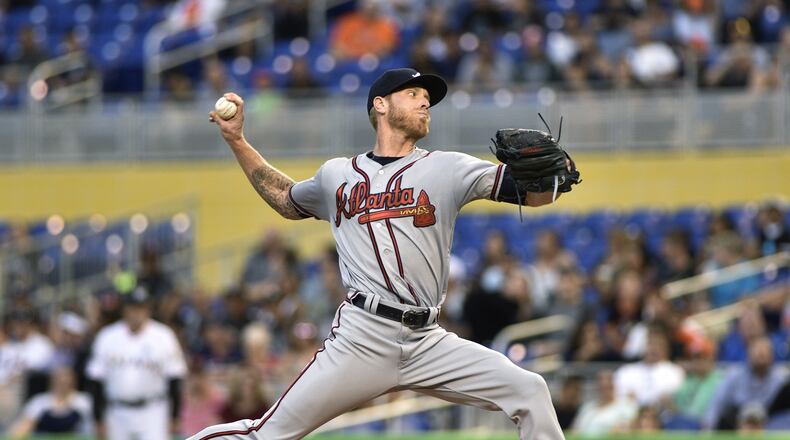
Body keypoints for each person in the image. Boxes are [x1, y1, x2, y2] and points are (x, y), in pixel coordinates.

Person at [193, 67, 570, 439]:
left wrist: (559, 174)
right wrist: (238, 141)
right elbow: (286, 200)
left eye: (428, 99)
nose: (425, 102)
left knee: (530, 390)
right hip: (363, 337)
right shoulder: (336, 175)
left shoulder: (447, 167)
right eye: (413, 94)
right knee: (268, 433)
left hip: (427, 339)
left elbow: (534, 194)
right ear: (381, 105)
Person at [86, 287, 188, 440]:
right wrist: (98, 419)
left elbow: (175, 378)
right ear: (124, 309)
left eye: (141, 308)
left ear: (148, 310)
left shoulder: (163, 336)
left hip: (153, 410)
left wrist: (174, 416)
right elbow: (96, 381)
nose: (136, 312)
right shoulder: (107, 336)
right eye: (132, 307)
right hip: (116, 411)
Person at [8, 367, 93, 438]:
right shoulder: (40, 401)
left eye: (66, 382)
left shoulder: (83, 401)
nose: (63, 385)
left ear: (74, 382)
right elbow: (24, 426)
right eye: (59, 382)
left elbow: (90, 428)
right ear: (52, 382)